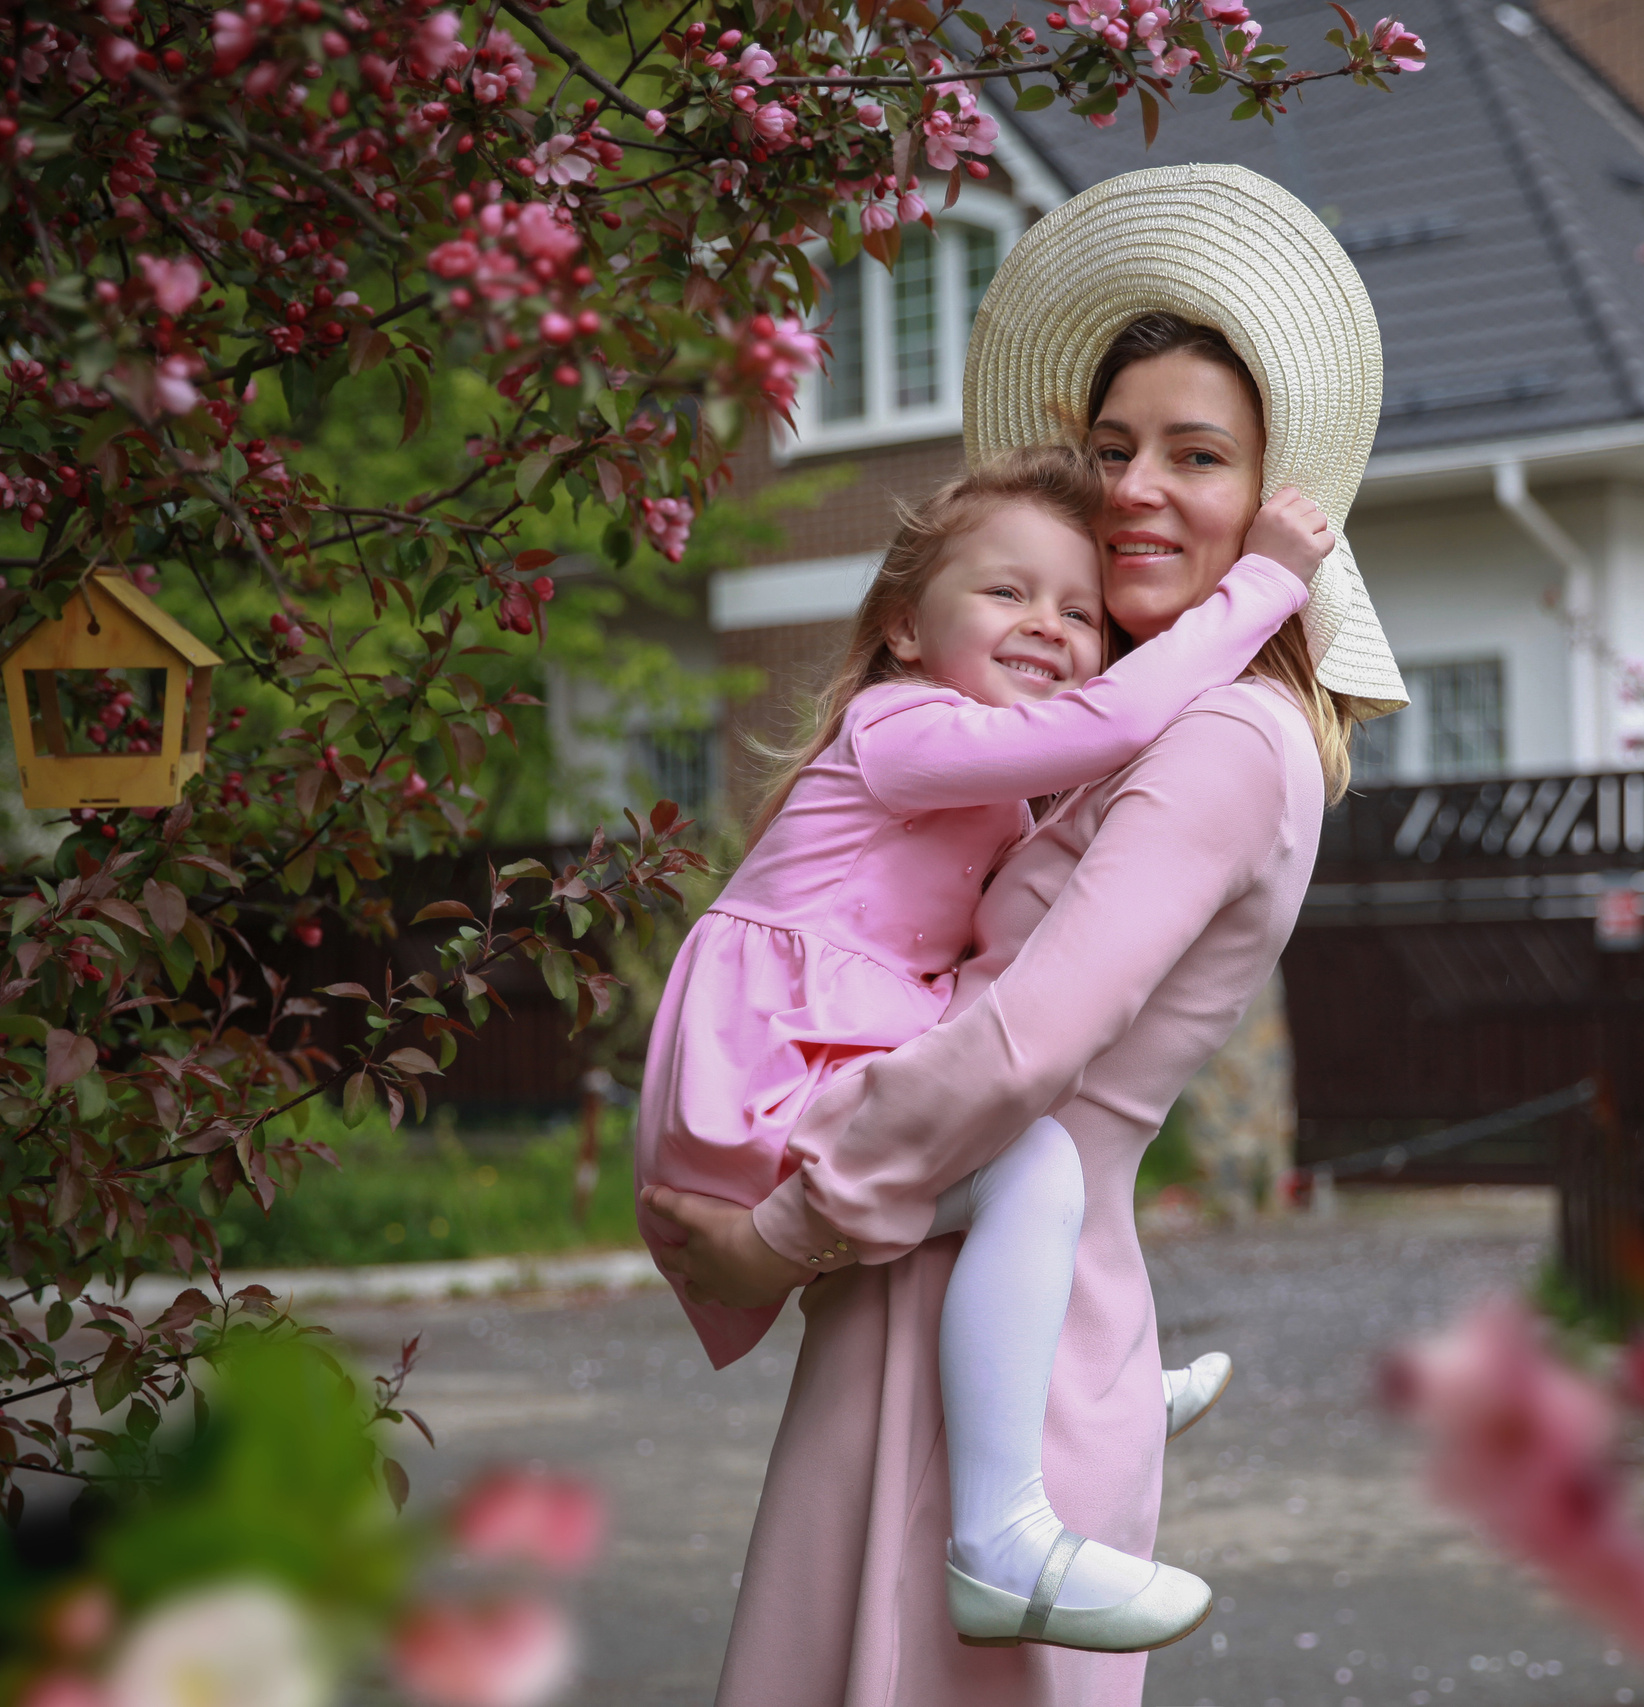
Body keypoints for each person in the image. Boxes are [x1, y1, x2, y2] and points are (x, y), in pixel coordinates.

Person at [645, 162, 1406, 1705]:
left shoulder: (1216, 742)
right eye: (1113, 445)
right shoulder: (1087, 727)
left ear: (1269, 504)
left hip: (982, 1278)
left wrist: (775, 1229)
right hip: (959, 1265)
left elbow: (1023, 1045)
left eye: (1196, 456)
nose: (1134, 485)